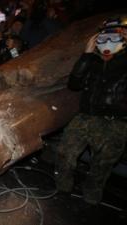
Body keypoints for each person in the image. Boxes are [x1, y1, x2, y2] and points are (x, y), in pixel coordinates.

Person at [55, 16, 127, 204]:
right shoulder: (92, 60)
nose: (108, 41)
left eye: (116, 35)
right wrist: (86, 55)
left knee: (102, 166)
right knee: (65, 152)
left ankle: (92, 195)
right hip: (86, 116)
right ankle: (63, 188)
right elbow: (74, 83)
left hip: (115, 122)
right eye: (105, 35)